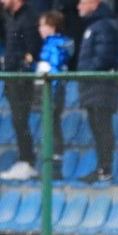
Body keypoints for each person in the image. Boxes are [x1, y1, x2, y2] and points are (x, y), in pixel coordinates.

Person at [0, 0, 42, 182]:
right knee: (17, 121)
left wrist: (24, 68)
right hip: (12, 76)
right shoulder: (11, 18)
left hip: (22, 79)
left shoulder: (29, 18)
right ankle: (25, 160)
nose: (2, 1)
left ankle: (28, 161)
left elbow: (32, 49)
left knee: (20, 120)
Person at [75, 0, 118, 183]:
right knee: (98, 129)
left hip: (100, 87)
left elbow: (104, 57)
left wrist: (87, 72)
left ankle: (105, 169)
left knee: (102, 129)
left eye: (83, 3)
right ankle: (102, 168)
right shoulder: (95, 25)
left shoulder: (103, 26)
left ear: (94, 4)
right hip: (92, 87)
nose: (79, 7)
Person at [35, 11, 74, 161]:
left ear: (52, 26)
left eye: (42, 25)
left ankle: (54, 164)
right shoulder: (49, 44)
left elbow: (55, 69)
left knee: (52, 126)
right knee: (50, 125)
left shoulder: (57, 44)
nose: (40, 29)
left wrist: (51, 89)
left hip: (52, 91)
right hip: (49, 90)